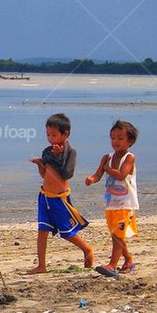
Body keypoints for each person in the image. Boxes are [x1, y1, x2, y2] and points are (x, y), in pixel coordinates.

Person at [28, 113, 94, 274]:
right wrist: (39, 164)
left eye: (54, 135)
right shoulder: (48, 151)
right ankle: (41, 265)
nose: (50, 138)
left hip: (59, 198)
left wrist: (58, 156)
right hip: (45, 196)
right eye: (48, 135)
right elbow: (45, 175)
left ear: (65, 134)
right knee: (42, 230)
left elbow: (67, 174)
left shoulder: (70, 153)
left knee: (66, 232)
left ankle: (87, 249)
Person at [86, 120, 139, 276]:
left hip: (125, 203)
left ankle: (112, 265)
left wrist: (107, 168)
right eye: (113, 138)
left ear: (130, 141)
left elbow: (122, 175)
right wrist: (91, 179)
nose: (115, 141)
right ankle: (128, 260)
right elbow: (98, 174)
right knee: (116, 235)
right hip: (111, 203)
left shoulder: (129, 157)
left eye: (120, 138)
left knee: (117, 235)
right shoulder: (107, 157)